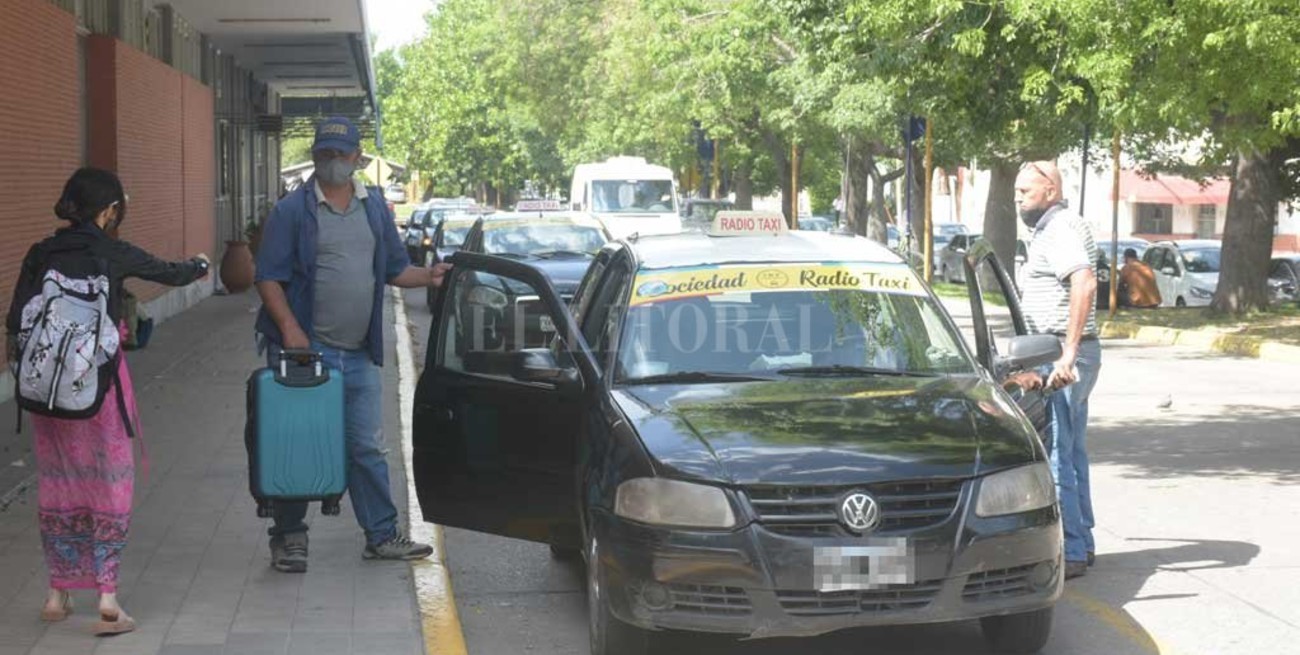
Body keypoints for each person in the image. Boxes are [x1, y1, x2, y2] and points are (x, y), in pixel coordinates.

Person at [6, 167, 209, 635]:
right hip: (99, 390)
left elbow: (16, 319)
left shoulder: (41, 252)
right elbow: (172, 274)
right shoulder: (111, 252)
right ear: (109, 210)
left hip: (48, 396)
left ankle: (57, 594)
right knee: (110, 484)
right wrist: (199, 264)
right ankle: (109, 600)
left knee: (58, 484)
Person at [253, 117, 452, 573]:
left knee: (366, 446)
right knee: (296, 445)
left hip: (359, 352)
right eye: (323, 154)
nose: (331, 163)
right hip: (305, 352)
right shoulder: (293, 211)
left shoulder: (375, 207)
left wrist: (430, 277)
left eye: (339, 155)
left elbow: (395, 269)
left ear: (357, 159)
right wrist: (290, 332)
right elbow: (268, 277)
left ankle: (381, 535)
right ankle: (289, 538)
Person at [1013, 160, 1102, 581]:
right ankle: (1083, 539)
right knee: (1072, 450)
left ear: (1050, 191)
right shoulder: (1052, 227)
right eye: (1015, 193)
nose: (1018, 201)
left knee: (1056, 454)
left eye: (1025, 193)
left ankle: (1073, 549)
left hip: (1061, 356)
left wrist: (1066, 353)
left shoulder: (1060, 227)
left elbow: (1083, 282)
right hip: (1068, 352)